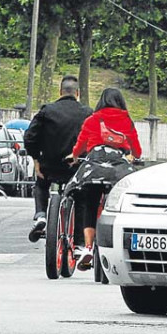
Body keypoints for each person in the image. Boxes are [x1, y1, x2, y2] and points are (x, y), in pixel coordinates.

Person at [68, 88, 142, 268]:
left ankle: (87, 247)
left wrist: (74, 156)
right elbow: (137, 150)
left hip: (94, 166)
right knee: (119, 202)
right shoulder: (126, 120)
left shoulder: (92, 119)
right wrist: (133, 156)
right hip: (118, 169)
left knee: (90, 204)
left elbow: (80, 145)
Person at [24, 76, 93, 242]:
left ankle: (41, 215)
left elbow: (30, 137)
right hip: (77, 167)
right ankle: (79, 241)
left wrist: (36, 160)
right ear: (77, 93)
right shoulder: (88, 113)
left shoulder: (46, 111)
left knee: (41, 185)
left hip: (50, 166)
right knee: (81, 197)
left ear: (60, 92)